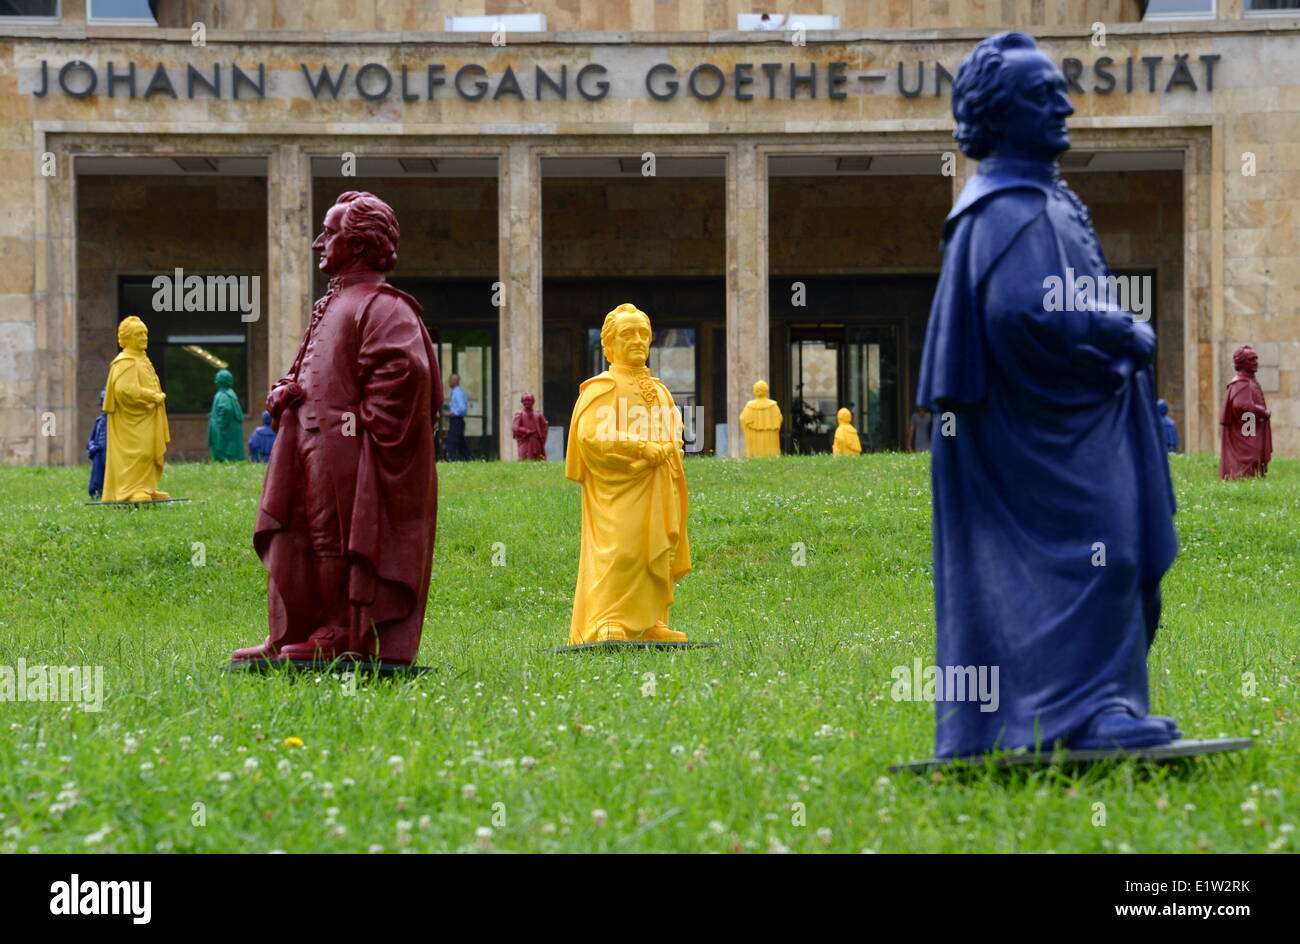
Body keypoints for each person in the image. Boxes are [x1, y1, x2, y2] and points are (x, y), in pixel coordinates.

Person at [916, 33, 1179, 758]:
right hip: (1036, 432)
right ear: (1001, 116)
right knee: (1101, 552)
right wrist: (1117, 329)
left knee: (1110, 555)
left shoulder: (1046, 198)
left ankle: (1100, 705)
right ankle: (1074, 714)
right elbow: (1021, 311)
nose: (1065, 103)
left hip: (1081, 422)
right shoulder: (1001, 207)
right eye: (1043, 96)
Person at [230, 191, 442, 666]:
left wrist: (360, 428)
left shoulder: (385, 307)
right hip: (303, 440)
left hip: (342, 445)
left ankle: (338, 631)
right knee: (296, 531)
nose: (317, 242)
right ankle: (292, 631)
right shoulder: (333, 304)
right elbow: (307, 368)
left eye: (331, 233)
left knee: (334, 535)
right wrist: (286, 390)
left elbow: (404, 373)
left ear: (360, 243)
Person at [566, 303, 691, 645]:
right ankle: (610, 621)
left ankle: (651, 621)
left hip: (659, 484)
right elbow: (591, 436)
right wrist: (640, 449)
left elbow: (675, 431)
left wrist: (669, 448)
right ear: (608, 346)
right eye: (627, 334)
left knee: (657, 549)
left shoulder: (661, 390)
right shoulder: (600, 388)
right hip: (617, 486)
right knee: (622, 549)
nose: (638, 340)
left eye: (643, 334)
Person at [102, 316, 170, 503]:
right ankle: (131, 490)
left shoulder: (142, 359)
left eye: (145, 333)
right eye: (139, 334)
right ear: (128, 338)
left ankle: (147, 487)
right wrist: (152, 396)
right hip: (132, 420)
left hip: (147, 416)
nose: (144, 337)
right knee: (137, 453)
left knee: (148, 451)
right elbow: (126, 391)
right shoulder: (125, 362)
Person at [1219, 345, 1272, 479]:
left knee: (1255, 453)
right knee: (1250, 454)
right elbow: (1242, 405)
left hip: (1251, 425)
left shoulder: (1250, 380)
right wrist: (1263, 412)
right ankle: (1242, 478)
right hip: (1246, 426)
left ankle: (1252, 478)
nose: (1256, 362)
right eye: (1251, 359)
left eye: (1256, 359)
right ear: (1242, 363)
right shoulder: (1240, 383)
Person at [207, 368, 246, 462]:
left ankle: (225, 461)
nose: (215, 381)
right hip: (230, 428)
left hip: (226, 430)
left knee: (226, 451)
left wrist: (220, 423)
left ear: (220, 381)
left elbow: (226, 409)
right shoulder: (230, 394)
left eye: (217, 378)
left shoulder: (222, 395)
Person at [739, 379, 783, 457]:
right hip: (770, 436)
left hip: (754, 437)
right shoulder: (773, 405)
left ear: (754, 391)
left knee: (756, 453)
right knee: (771, 453)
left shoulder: (749, 406)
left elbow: (743, 419)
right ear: (766, 391)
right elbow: (779, 418)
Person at [511, 392, 549, 460]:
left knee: (538, 458)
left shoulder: (538, 414)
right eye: (525, 400)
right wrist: (526, 431)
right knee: (524, 456)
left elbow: (544, 426)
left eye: (529, 400)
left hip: (536, 441)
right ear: (522, 402)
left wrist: (542, 436)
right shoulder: (520, 414)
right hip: (525, 440)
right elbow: (515, 427)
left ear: (533, 401)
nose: (527, 402)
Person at [445, 373, 471, 460]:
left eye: (450, 380)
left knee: (452, 441)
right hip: (456, 420)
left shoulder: (457, 392)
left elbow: (462, 408)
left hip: (457, 420)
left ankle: (450, 459)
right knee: (461, 443)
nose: (448, 382)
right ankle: (470, 459)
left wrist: (452, 412)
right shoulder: (457, 392)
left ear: (454, 381)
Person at [86, 390, 107, 499]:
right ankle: (96, 491)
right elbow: (92, 438)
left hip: (110, 453)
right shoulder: (99, 421)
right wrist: (92, 446)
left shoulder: (115, 421)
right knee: (97, 476)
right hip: (98, 453)